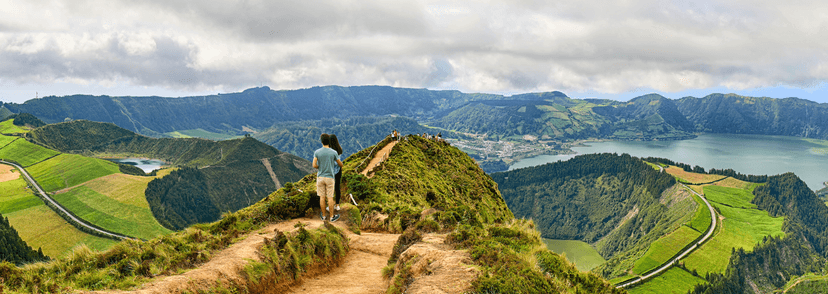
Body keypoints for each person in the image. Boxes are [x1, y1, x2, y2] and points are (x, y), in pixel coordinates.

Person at [313, 134, 343, 222]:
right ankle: (331, 217)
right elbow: (340, 164)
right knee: (330, 197)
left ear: (321, 141)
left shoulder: (317, 152)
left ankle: (323, 216)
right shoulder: (334, 152)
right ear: (328, 141)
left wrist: (320, 167)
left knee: (322, 197)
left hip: (320, 177)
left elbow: (314, 165)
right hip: (330, 177)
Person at [329, 134, 344, 214]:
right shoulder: (339, 149)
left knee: (330, 188)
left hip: (331, 171)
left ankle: (330, 205)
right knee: (337, 187)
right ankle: (337, 205)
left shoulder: (329, 151)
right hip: (338, 170)